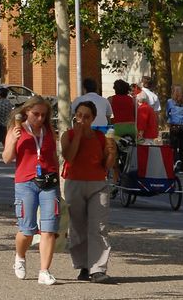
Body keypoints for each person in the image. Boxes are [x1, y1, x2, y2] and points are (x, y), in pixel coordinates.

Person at [3, 96, 60, 286]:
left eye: (44, 115)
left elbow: (52, 155)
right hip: (26, 182)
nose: (40, 118)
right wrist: (13, 141)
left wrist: (58, 177)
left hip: (48, 181)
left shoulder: (48, 130)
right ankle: (20, 256)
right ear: (26, 112)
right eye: (36, 114)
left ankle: (44, 271)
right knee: (27, 230)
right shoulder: (16, 129)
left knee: (49, 228)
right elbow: (6, 158)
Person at [62, 100, 116, 282]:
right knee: (78, 227)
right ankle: (83, 266)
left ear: (93, 119)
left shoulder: (100, 138)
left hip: (97, 184)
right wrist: (78, 135)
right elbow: (69, 156)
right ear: (75, 116)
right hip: (74, 183)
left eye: (86, 117)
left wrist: (111, 153)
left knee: (98, 227)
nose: (82, 120)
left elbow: (106, 165)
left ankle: (98, 268)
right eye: (79, 116)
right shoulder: (68, 135)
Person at [165, 85, 183, 171]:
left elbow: (167, 113)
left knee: (173, 147)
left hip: (174, 126)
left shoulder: (170, 101)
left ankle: (176, 162)